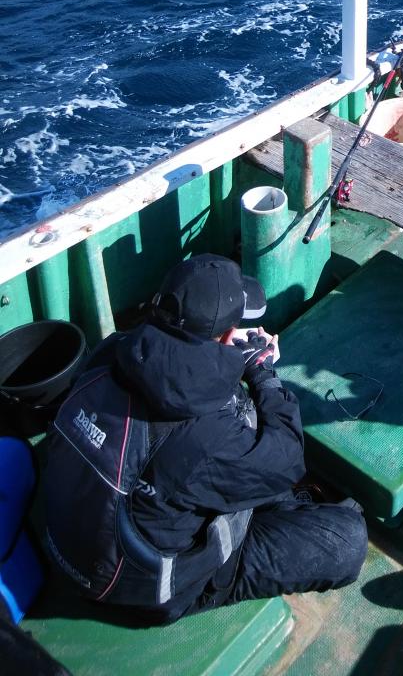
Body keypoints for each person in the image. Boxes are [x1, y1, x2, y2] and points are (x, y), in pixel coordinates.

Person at [41, 253, 367, 622]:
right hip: (143, 590)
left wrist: (220, 357)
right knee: (347, 540)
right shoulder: (204, 438)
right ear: (228, 335)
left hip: (72, 546)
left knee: (229, 451)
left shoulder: (113, 349)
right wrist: (262, 372)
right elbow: (287, 461)